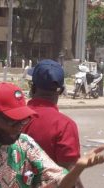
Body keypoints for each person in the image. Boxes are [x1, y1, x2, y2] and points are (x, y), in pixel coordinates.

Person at [0, 82, 104, 188]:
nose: (19, 127)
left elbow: (59, 182)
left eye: (23, 120)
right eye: (12, 121)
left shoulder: (25, 145)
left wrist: (78, 168)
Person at [22, 59, 85, 187]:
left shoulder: (12, 119)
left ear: (32, 87)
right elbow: (70, 174)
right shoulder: (64, 125)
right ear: (60, 91)